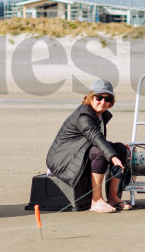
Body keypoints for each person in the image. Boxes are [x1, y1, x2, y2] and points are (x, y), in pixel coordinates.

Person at [45, 79, 132, 213]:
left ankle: (113, 198)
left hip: (79, 152)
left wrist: (117, 152)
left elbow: (97, 140)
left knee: (119, 148)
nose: (103, 102)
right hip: (62, 159)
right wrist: (113, 158)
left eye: (107, 99)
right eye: (99, 97)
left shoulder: (100, 115)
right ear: (91, 97)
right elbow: (96, 138)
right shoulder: (84, 116)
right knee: (101, 152)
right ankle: (96, 200)